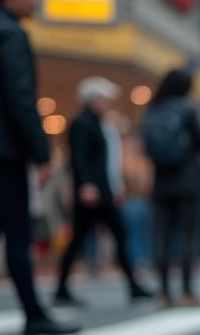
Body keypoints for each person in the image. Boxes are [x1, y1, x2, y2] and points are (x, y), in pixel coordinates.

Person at [0, 0, 78, 335]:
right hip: (1, 150)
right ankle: (35, 315)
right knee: (17, 235)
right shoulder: (10, 34)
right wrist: (41, 153)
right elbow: (20, 99)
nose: (36, 0)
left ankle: (36, 312)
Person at [55, 78, 153, 306]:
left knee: (116, 234)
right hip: (92, 193)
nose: (107, 103)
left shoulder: (102, 124)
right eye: (103, 99)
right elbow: (78, 157)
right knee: (83, 238)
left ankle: (132, 285)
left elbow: (107, 162)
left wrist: (114, 187)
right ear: (93, 99)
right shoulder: (82, 123)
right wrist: (86, 184)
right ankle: (62, 288)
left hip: (103, 192)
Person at [141, 68, 200, 308]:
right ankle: (188, 291)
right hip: (188, 182)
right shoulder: (187, 108)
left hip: (161, 183)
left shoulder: (154, 108)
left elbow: (146, 147)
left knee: (161, 236)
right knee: (188, 237)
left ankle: (163, 293)